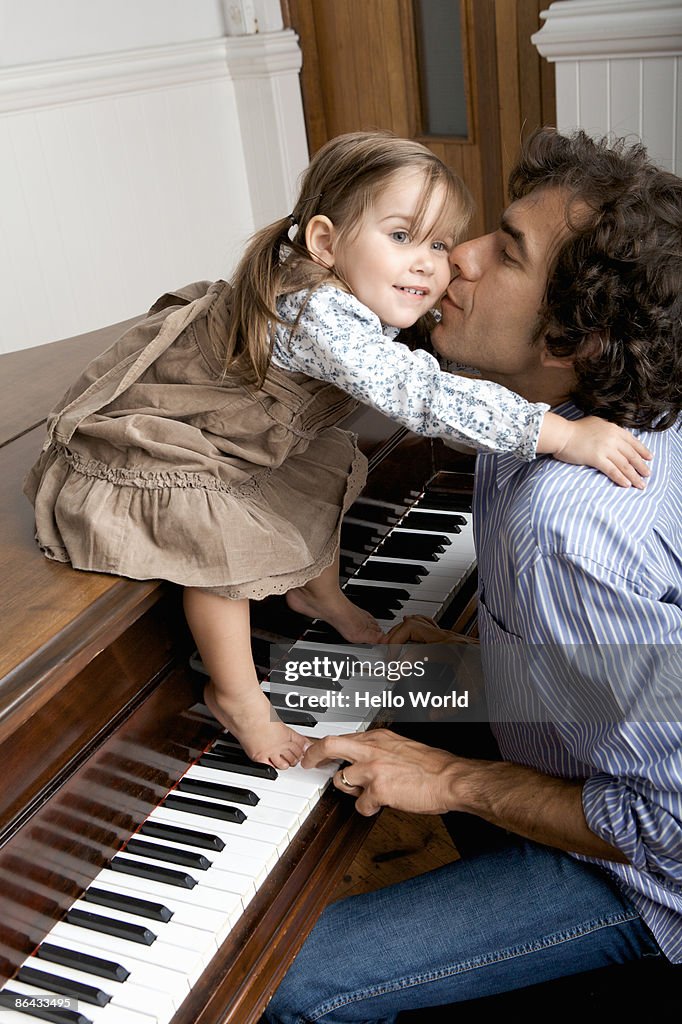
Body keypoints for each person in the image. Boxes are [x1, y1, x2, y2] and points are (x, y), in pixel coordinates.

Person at [24, 131, 651, 770]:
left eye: (437, 242)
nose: (438, 262)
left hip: (253, 438)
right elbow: (422, 395)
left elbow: (434, 397)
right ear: (325, 243)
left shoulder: (356, 294)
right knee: (218, 548)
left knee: (316, 477)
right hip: (184, 443)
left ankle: (315, 593)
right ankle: (236, 693)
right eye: (403, 237)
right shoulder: (320, 312)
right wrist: (560, 433)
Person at [265, 128, 681, 1022]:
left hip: (654, 881)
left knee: (286, 984)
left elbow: (671, 825)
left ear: (577, 338)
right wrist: (471, 655)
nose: (457, 255)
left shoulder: (565, 531)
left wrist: (448, 779)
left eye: (508, 251)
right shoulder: (542, 410)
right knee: (316, 678)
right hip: (606, 737)